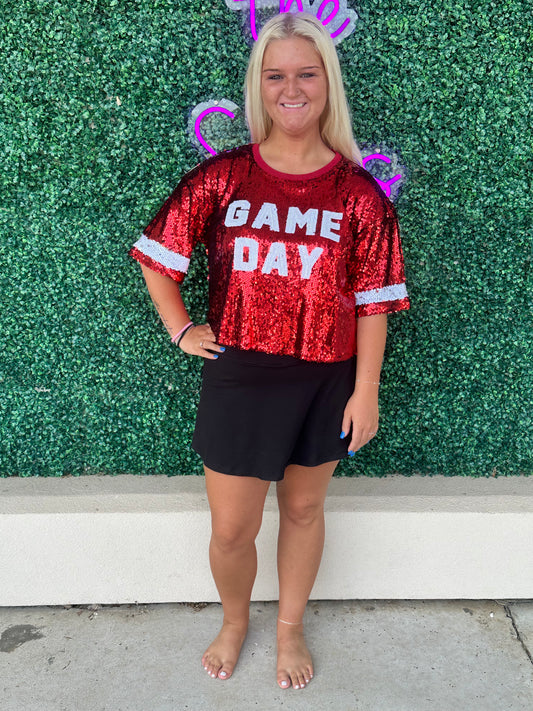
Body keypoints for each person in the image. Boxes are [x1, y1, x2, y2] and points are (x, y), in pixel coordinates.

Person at [129, 12, 409, 691]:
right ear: (259, 85)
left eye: (305, 74)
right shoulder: (221, 178)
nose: (292, 88)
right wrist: (180, 327)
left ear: (326, 84)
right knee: (232, 527)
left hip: (324, 376)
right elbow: (155, 257)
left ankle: (288, 627)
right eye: (276, 75)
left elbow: (373, 301)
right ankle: (233, 620)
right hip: (240, 373)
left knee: (306, 509)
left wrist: (364, 389)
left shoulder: (358, 195)